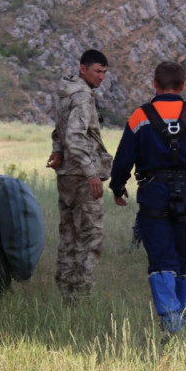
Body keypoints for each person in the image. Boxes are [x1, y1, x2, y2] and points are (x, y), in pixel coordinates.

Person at [110, 61, 186, 333]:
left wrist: (118, 188)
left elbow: (122, 161)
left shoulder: (139, 117)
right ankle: (184, 315)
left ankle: (171, 322)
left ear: (155, 84)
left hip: (153, 194)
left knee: (161, 259)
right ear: (183, 85)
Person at [46, 49, 113, 304]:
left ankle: (65, 292)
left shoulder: (66, 93)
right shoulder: (83, 97)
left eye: (105, 72)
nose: (101, 77)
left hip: (66, 174)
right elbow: (74, 135)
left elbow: (59, 131)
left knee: (69, 235)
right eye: (97, 71)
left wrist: (57, 151)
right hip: (82, 176)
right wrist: (91, 173)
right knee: (91, 236)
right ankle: (82, 294)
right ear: (82, 69)